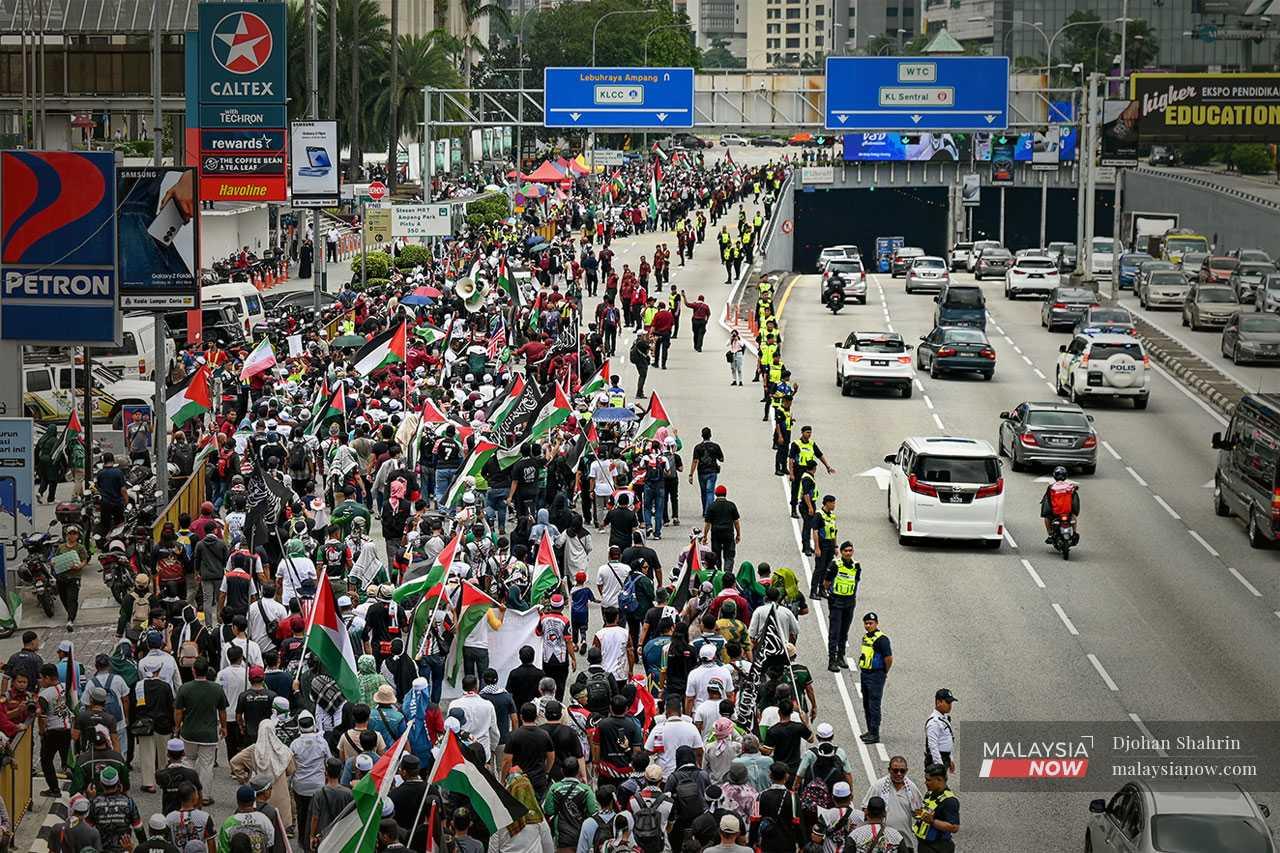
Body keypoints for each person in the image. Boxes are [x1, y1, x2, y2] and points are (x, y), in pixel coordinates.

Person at [857, 613, 892, 746]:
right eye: (866, 623)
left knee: (874, 705)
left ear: (876, 623)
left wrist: (884, 672)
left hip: (876, 675)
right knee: (866, 703)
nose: (868, 625)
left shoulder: (882, 640)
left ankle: (875, 733)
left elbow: (888, 658)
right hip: (865, 673)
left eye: (871, 623)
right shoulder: (866, 638)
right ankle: (870, 730)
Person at [826, 542, 861, 673]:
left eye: (850, 550)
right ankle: (832, 660)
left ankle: (841, 656)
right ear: (841, 552)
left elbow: (856, 581)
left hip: (850, 602)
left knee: (844, 631)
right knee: (834, 632)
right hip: (836, 602)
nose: (848, 553)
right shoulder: (835, 565)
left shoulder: (856, 566)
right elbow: (826, 582)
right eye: (845, 550)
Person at [911, 765, 959, 853]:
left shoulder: (950, 801)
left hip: (938, 847)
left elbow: (954, 827)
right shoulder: (930, 793)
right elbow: (927, 812)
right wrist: (918, 813)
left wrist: (933, 821)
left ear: (939, 779)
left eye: (928, 780)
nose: (925, 783)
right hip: (924, 845)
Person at [53, 524, 88, 630]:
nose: (72, 536)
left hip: (74, 577)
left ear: (77, 536)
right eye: (70, 534)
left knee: (72, 598)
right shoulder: (61, 547)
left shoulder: (80, 548)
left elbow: (84, 560)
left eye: (74, 534)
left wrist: (79, 566)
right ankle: (70, 613)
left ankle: (70, 619)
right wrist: (53, 563)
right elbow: (56, 558)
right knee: (63, 597)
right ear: (66, 535)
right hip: (62, 577)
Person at [702, 486, 740, 574]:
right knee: (729, 555)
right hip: (728, 534)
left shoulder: (712, 506)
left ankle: (718, 572)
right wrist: (738, 534)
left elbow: (708, 523)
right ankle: (727, 572)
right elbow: (736, 522)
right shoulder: (731, 505)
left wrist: (705, 536)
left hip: (716, 534)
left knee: (716, 555)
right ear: (725, 494)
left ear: (715, 494)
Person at [807, 495, 838, 600]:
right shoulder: (819, 515)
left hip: (830, 545)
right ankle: (813, 591)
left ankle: (821, 590)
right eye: (832, 503)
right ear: (827, 503)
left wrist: (835, 546)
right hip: (822, 545)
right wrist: (817, 548)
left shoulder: (832, 516)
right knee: (819, 569)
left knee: (826, 569)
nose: (834, 505)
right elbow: (815, 531)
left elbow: (834, 532)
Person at [689, 428, 724, 515]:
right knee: (710, 491)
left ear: (702, 436)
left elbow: (695, 461)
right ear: (710, 435)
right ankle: (710, 511)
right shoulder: (716, 446)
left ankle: (705, 510)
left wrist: (691, 474)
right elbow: (722, 459)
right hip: (712, 471)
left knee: (703, 492)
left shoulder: (698, 447)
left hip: (702, 472)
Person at [1041, 465, 1080, 541]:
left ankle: (1050, 534)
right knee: (1073, 516)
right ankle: (1075, 532)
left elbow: (1047, 498)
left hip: (1055, 512)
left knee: (1047, 518)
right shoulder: (1070, 486)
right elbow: (1074, 495)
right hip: (1068, 511)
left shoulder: (1051, 487)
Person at [924, 690, 957, 774]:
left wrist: (950, 758)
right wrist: (939, 767)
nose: (950, 706)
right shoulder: (934, 723)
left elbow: (945, 740)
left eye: (951, 703)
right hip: (936, 761)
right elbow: (933, 746)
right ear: (939, 702)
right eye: (948, 702)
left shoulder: (943, 718)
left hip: (944, 758)